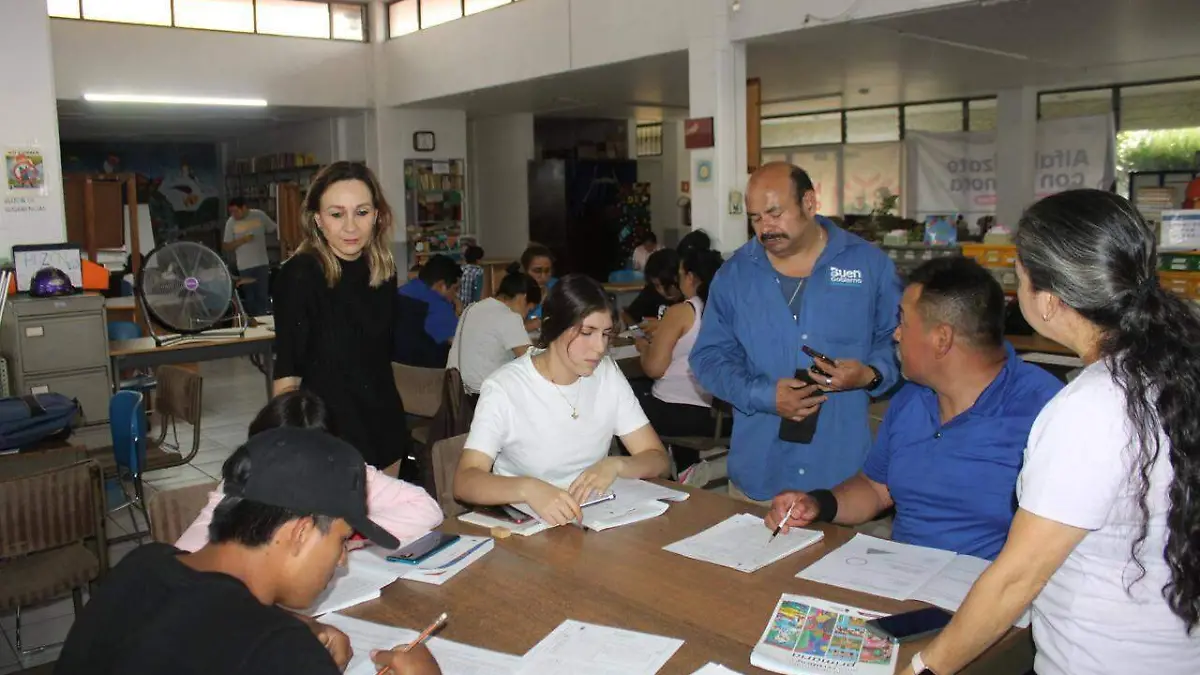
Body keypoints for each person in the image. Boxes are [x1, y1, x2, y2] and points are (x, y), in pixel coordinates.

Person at [897, 190, 1200, 675]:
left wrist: (921, 669)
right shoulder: (1173, 369)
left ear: (1050, 298)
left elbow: (1015, 580)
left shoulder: (1091, 408)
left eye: (1019, 276)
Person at [55, 427, 441, 675]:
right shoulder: (278, 651)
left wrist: (302, 624)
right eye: (341, 540)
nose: (342, 560)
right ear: (301, 532)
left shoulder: (143, 564)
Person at [766, 256, 1062, 560]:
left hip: (989, 593)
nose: (896, 334)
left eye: (904, 321)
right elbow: (877, 488)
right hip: (901, 580)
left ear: (941, 339)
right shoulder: (913, 397)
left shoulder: (1045, 411)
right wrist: (817, 504)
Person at [690, 163, 902, 503]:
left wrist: (871, 373)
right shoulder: (735, 276)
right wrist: (764, 395)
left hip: (844, 485)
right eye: (756, 218)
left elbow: (899, 339)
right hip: (761, 477)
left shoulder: (867, 266)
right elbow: (708, 358)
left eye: (775, 213)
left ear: (809, 203)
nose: (765, 228)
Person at [453, 274, 671, 526]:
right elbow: (465, 481)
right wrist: (527, 488)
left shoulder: (606, 373)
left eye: (605, 334)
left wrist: (618, 465)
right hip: (531, 523)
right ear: (553, 326)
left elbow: (657, 458)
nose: (599, 348)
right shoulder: (505, 388)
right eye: (587, 333)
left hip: (594, 517)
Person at [176, 389, 444, 552]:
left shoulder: (346, 473)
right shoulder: (243, 483)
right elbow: (189, 554)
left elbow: (427, 509)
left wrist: (345, 539)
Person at [271, 161, 409, 470]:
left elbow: (377, 359)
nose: (350, 227)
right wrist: (291, 446)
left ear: (377, 216)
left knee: (387, 519)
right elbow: (287, 376)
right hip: (326, 435)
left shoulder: (383, 271)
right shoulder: (300, 275)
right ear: (318, 219)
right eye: (337, 214)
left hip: (384, 425)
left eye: (361, 212)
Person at [634, 248, 725, 442]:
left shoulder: (683, 311)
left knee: (625, 401)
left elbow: (654, 368)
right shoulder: (731, 309)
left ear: (691, 277)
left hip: (677, 411)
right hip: (722, 417)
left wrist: (644, 348)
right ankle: (686, 470)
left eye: (681, 274)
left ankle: (645, 470)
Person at [446, 271, 541, 394]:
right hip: (483, 396)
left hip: (454, 393)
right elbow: (531, 360)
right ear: (523, 298)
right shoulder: (510, 316)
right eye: (529, 309)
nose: (525, 315)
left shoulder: (471, 308)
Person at [394, 254, 462, 366]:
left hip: (394, 368)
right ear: (441, 285)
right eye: (455, 289)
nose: (456, 295)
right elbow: (456, 343)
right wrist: (459, 314)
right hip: (426, 374)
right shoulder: (439, 306)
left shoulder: (400, 292)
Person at [223, 196, 278, 316]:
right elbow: (226, 246)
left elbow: (274, 228)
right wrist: (242, 240)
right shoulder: (231, 223)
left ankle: (263, 323)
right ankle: (254, 323)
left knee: (262, 296)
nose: (234, 214)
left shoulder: (259, 216)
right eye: (231, 212)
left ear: (244, 207)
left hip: (262, 264)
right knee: (250, 298)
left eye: (236, 211)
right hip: (244, 267)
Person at [622, 248, 683, 330]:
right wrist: (638, 333)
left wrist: (661, 324)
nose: (662, 291)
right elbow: (628, 315)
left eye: (666, 285)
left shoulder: (689, 297)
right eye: (657, 285)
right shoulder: (651, 291)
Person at [518, 244, 557, 326]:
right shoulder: (515, 292)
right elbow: (511, 329)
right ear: (524, 270)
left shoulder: (558, 286)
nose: (543, 277)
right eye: (537, 271)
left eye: (547, 271)